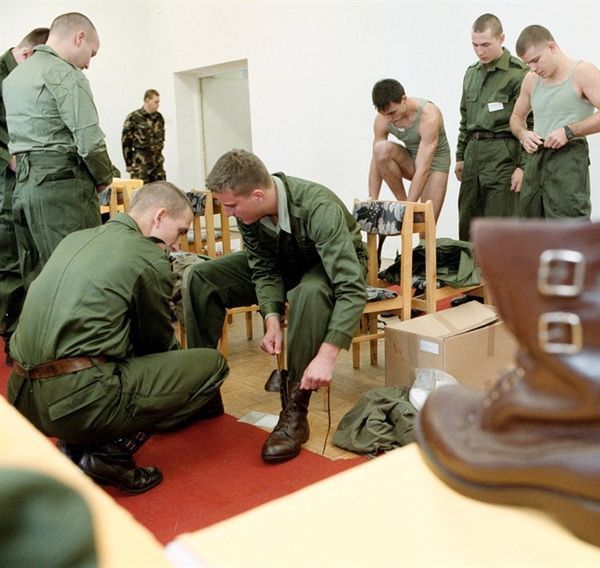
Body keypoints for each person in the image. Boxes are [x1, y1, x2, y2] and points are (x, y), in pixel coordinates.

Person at [7, 182, 229, 495]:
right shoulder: (147, 256)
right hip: (76, 401)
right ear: (159, 217)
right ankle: (110, 455)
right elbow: (157, 345)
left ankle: (76, 445)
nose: (178, 244)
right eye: (179, 231)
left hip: (22, 398)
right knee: (211, 365)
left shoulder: (77, 238)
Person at [183, 149, 367, 464]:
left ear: (257, 195)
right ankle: (202, 393)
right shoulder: (250, 214)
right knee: (200, 277)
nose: (227, 213)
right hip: (287, 262)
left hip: (331, 267)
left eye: (231, 206)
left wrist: (326, 356)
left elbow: (351, 288)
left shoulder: (318, 208)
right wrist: (271, 318)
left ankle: (296, 408)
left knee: (308, 292)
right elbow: (264, 268)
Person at [3, 12, 114, 287]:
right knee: (80, 273)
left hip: (24, 188)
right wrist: (104, 177)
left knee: (39, 278)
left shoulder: (16, 77)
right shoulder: (65, 74)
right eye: (92, 53)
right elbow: (90, 141)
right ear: (79, 38)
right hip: (63, 189)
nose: (88, 63)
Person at [510, 24, 600, 219]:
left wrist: (569, 131)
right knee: (530, 226)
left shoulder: (582, 72)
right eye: (528, 63)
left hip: (568, 159)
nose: (533, 68)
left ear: (551, 47)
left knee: (569, 226)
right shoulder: (531, 80)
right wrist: (523, 134)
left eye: (536, 60)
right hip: (536, 159)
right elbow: (516, 117)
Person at [456, 13, 531, 242]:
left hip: (503, 154)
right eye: (475, 45)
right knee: (468, 221)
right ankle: (469, 266)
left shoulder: (519, 74)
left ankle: (503, 266)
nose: (480, 51)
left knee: (500, 224)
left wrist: (523, 166)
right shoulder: (471, 74)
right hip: (473, 155)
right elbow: (465, 119)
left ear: (501, 39)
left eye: (486, 45)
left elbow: (531, 124)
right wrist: (460, 157)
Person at [0, 27, 49, 364]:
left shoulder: (25, 76)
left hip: (25, 181)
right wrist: (9, 157)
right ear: (28, 54)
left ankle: (25, 336)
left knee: (28, 255)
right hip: (6, 181)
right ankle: (12, 341)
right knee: (8, 261)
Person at [368, 79, 450, 220]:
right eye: (385, 114)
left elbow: (423, 167)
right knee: (380, 149)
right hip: (411, 159)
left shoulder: (429, 116)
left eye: (392, 113)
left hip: (434, 164)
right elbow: (376, 160)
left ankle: (407, 206)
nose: (389, 118)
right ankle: (403, 202)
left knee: (424, 223)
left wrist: (410, 206)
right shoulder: (383, 119)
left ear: (404, 100)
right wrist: (372, 200)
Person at [122, 88, 166, 183]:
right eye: (156, 102)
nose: (158, 104)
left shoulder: (159, 118)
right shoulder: (134, 117)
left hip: (157, 165)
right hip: (142, 165)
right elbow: (126, 142)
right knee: (140, 190)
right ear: (147, 100)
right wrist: (128, 163)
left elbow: (161, 140)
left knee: (160, 190)